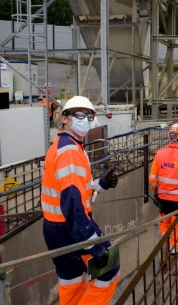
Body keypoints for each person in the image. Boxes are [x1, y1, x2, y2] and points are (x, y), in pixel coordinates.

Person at [41, 96, 120, 305]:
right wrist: (94, 246)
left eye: (89, 115)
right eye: (78, 114)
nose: (85, 119)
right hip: (71, 228)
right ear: (64, 118)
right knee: (109, 269)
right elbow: (74, 208)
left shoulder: (64, 144)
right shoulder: (70, 152)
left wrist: (99, 185)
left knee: (71, 279)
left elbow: (71, 190)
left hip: (53, 227)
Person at [149, 124, 178, 253]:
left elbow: (153, 179)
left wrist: (156, 189)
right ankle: (174, 253)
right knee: (176, 228)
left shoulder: (159, 154)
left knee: (164, 224)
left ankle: (162, 252)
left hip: (162, 199)